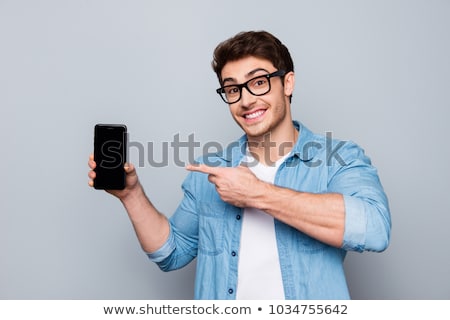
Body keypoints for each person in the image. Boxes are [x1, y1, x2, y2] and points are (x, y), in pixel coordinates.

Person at [88, 30, 391, 300]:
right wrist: (131, 194)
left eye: (259, 82)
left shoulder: (337, 159)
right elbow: (171, 253)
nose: (245, 100)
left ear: (288, 82)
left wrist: (257, 194)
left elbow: (374, 228)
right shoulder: (212, 171)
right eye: (233, 89)